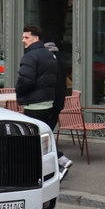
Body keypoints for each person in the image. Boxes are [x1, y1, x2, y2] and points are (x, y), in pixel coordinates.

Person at [15, 26, 71, 180]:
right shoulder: (50, 56)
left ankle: (56, 169)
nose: (23, 41)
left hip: (34, 105)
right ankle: (58, 163)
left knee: (34, 142)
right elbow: (57, 81)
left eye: (26, 38)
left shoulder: (30, 56)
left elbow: (25, 81)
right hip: (48, 104)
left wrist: (19, 92)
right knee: (41, 139)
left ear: (36, 38)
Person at [44, 41, 73, 179]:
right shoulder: (61, 62)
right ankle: (60, 161)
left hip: (48, 103)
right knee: (45, 136)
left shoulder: (49, 62)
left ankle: (60, 161)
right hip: (58, 102)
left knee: (42, 138)